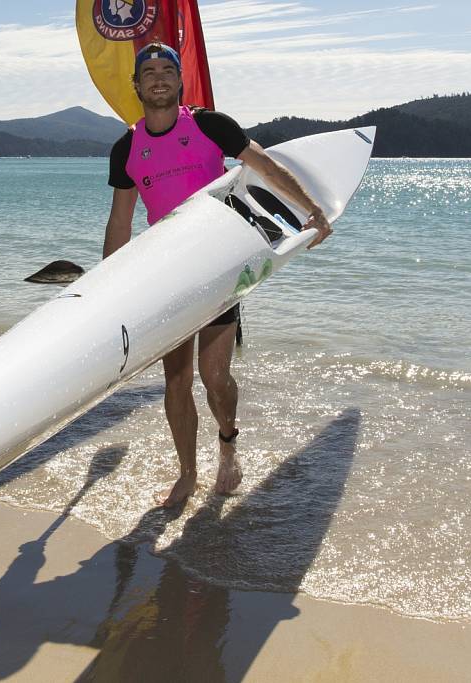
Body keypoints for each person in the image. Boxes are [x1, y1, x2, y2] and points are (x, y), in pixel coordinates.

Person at [103, 42, 333, 508]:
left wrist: (313, 209)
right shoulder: (127, 147)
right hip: (165, 273)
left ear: (179, 80)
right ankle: (187, 474)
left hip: (217, 268)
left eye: (167, 69)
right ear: (137, 85)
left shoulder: (210, 126)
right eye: (148, 72)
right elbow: (121, 220)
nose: (159, 78)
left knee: (215, 377)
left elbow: (265, 166)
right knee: (176, 380)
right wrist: (107, 289)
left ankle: (228, 443)